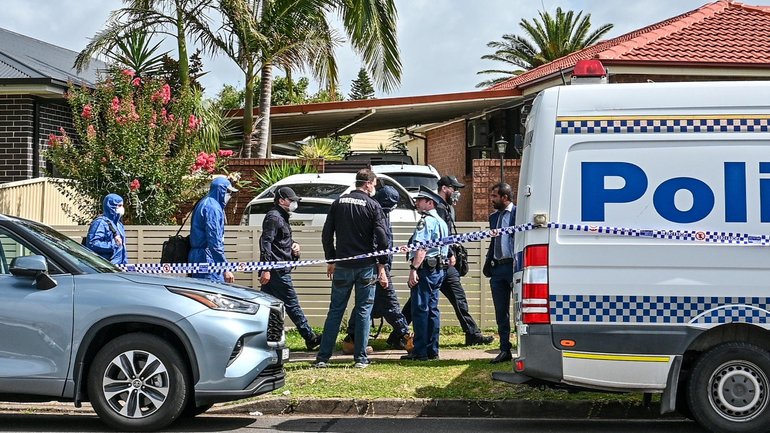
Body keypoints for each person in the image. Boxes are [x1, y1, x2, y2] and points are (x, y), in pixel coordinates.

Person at [402, 175, 494, 346]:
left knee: (423, 303)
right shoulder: (440, 211)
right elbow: (436, 240)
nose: (456, 192)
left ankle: (402, 335)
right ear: (444, 188)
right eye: (454, 188)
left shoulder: (442, 209)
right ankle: (468, 333)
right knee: (433, 302)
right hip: (440, 262)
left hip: (436, 262)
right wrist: (450, 253)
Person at [315, 169, 390, 369]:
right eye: (374, 184)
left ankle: (323, 358)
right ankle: (360, 358)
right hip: (366, 267)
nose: (374, 188)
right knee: (364, 311)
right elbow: (383, 238)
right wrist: (382, 264)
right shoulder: (373, 205)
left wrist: (331, 259)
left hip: (342, 266)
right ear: (368, 184)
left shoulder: (338, 203)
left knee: (335, 311)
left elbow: (326, 234)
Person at [343, 186, 412, 354]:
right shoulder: (374, 213)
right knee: (390, 303)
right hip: (376, 267)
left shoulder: (380, 212)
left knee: (367, 304)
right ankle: (405, 336)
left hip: (378, 265)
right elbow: (377, 243)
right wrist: (382, 269)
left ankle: (351, 338)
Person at [259, 186, 322, 351]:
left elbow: (281, 243)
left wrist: (294, 249)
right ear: (281, 200)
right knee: (291, 304)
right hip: (277, 270)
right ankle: (309, 337)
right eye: (291, 200)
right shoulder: (274, 217)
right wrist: (266, 268)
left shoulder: (282, 217)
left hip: (278, 268)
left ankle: (267, 339)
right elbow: (266, 243)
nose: (294, 203)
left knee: (268, 306)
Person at [401, 185, 449, 361]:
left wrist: (413, 270)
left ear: (430, 202)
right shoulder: (442, 222)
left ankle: (420, 351)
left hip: (425, 270)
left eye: (420, 200)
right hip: (438, 270)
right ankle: (432, 350)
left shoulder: (427, 221)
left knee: (420, 309)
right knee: (433, 310)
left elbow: (421, 248)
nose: (416, 202)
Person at [485, 183, 517, 364]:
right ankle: (505, 348)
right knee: (501, 310)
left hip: (514, 266)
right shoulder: (493, 218)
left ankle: (523, 346)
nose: (492, 200)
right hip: (497, 268)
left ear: (505, 197)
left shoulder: (518, 214)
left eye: (495, 196)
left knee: (519, 308)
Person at [189, 176, 237, 283]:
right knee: (212, 293)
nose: (229, 195)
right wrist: (224, 267)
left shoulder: (204, 202)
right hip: (207, 258)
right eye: (228, 191)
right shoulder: (213, 208)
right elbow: (214, 241)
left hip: (198, 256)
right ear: (221, 190)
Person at [86, 193, 127, 265]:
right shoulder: (100, 223)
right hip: (105, 267)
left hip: (120, 266)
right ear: (111, 206)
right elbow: (92, 243)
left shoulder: (119, 225)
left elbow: (122, 249)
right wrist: (113, 245)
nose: (122, 208)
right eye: (119, 205)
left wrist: (125, 264)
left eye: (122, 205)